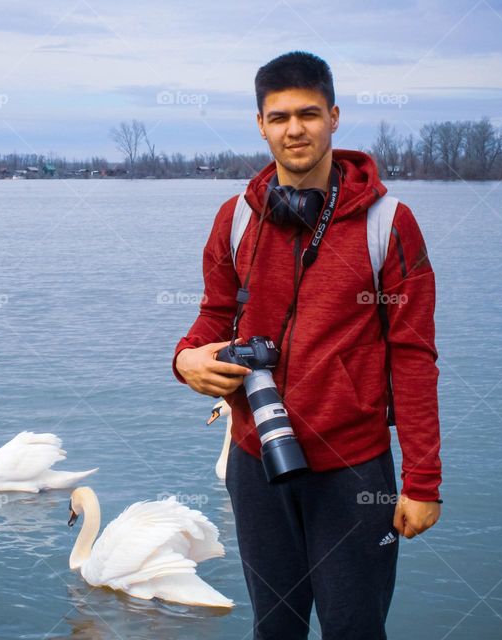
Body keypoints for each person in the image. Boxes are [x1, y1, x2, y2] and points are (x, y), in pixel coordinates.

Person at [172, 51, 442, 639]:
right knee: (276, 629)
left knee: (356, 629)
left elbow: (414, 357)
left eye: (309, 114)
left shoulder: (389, 224)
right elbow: (213, 316)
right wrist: (185, 358)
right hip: (255, 461)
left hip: (355, 470)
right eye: (279, 116)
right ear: (261, 124)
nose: (295, 129)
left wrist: (423, 481)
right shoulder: (235, 220)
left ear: (335, 117)